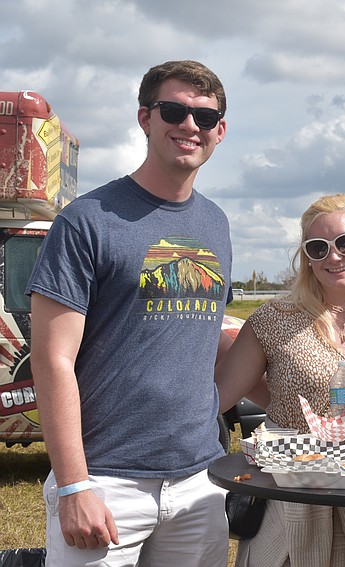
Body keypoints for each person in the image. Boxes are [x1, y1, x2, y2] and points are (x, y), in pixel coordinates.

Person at [27, 60, 232, 566]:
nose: (189, 126)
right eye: (173, 111)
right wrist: (74, 485)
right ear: (145, 118)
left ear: (220, 131)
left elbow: (206, 335)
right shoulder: (86, 222)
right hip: (104, 480)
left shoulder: (217, 223)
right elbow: (51, 359)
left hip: (200, 481)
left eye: (204, 118)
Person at [216, 193, 345, 567]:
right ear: (306, 256)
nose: (333, 256)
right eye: (318, 247)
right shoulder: (273, 320)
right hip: (289, 497)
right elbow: (218, 396)